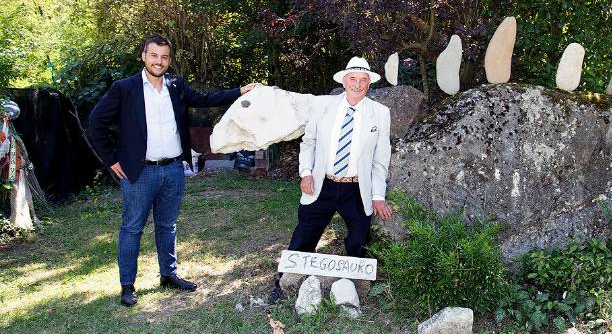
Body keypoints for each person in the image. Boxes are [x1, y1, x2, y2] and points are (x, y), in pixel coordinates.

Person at [88, 35, 257, 307]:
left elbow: (205, 99)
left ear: (169, 60)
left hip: (173, 171)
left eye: (164, 57)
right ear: (143, 56)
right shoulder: (125, 88)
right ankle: (127, 286)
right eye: (154, 56)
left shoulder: (175, 85)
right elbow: (96, 122)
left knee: (168, 226)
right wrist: (111, 160)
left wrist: (240, 91)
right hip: (139, 172)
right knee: (132, 228)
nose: (159, 61)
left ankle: (168, 275)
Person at [268, 56, 394, 304]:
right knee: (304, 235)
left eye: (363, 80)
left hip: (357, 188)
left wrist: (378, 196)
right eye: (352, 79)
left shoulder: (380, 114)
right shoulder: (322, 107)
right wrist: (306, 173)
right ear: (344, 81)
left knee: (359, 238)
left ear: (369, 84)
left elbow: (381, 160)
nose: (357, 84)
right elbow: (309, 142)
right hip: (322, 184)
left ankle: (352, 287)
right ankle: (283, 283)